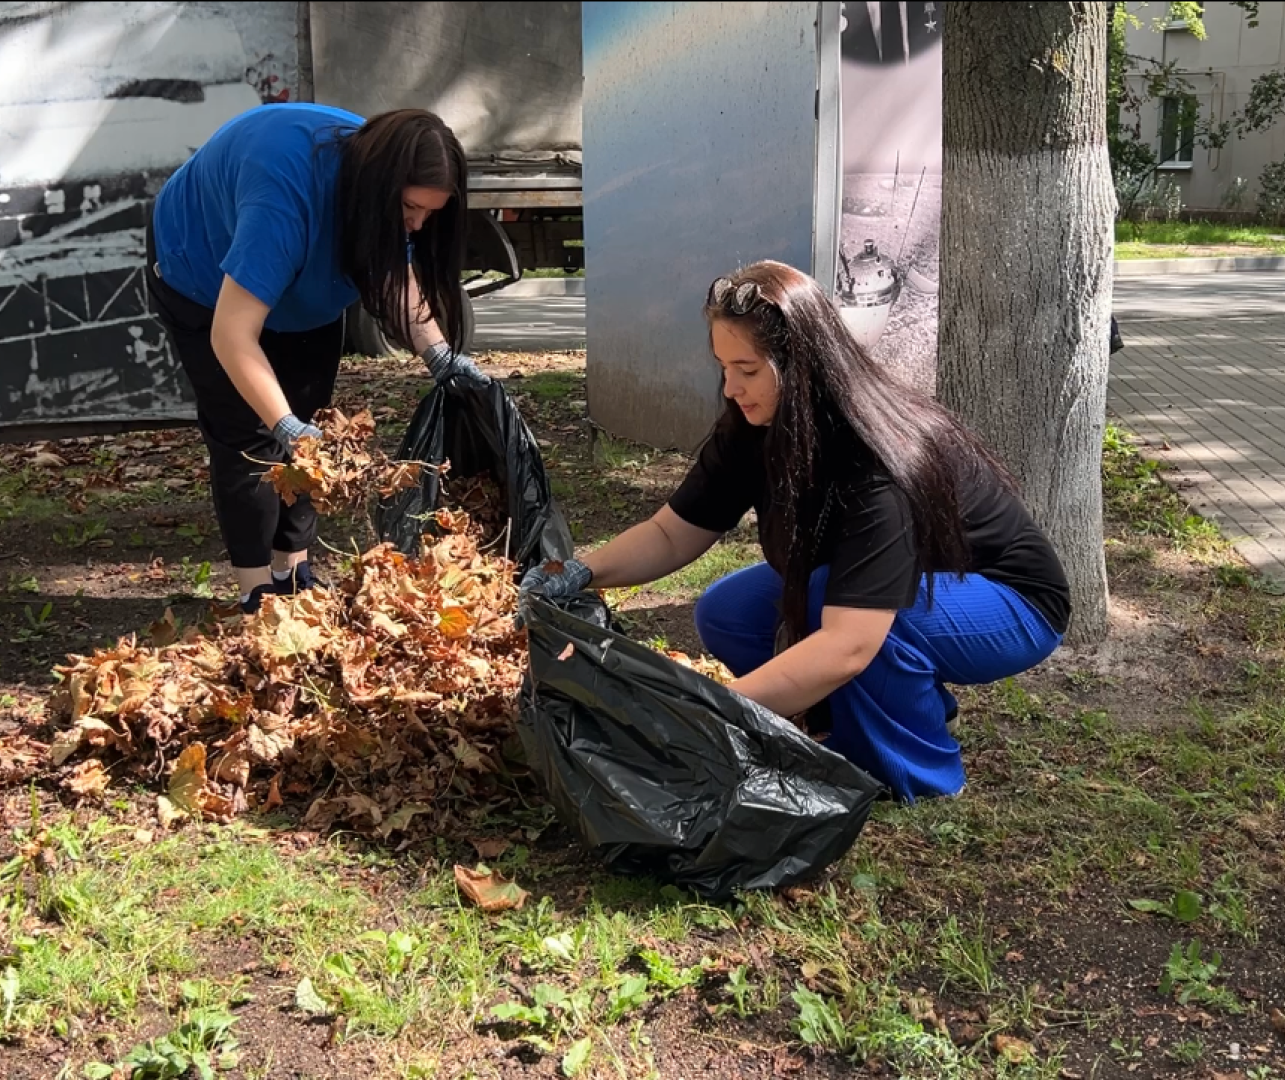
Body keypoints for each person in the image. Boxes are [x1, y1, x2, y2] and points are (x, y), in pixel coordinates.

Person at [519, 260, 1072, 801]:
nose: (732, 387)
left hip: (1009, 601)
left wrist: (711, 708)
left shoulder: (873, 456)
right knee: (728, 612)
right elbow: (671, 533)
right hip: (904, 589)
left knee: (874, 629)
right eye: (724, 367)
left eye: (749, 369)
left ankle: (918, 771)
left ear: (802, 364)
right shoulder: (752, 426)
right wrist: (580, 571)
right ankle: (878, 702)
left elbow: (850, 644)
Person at [145, 102, 492, 613]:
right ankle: (257, 591)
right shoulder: (283, 198)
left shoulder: (384, 179)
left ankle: (294, 571)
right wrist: (282, 424)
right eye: (409, 211)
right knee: (251, 435)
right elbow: (232, 335)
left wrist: (439, 354)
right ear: (377, 192)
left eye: (428, 214)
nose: (416, 227)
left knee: (312, 428)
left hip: (304, 282)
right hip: (201, 278)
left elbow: (396, 271)